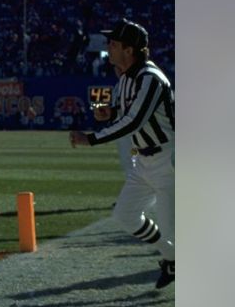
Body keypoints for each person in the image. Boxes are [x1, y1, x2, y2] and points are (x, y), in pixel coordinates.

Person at [69, 20, 175, 288]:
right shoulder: (127, 79)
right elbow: (127, 113)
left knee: (173, 230)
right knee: (125, 215)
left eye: (114, 44)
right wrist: (110, 112)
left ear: (129, 50)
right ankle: (173, 258)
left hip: (169, 161)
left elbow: (134, 122)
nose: (108, 47)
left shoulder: (151, 78)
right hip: (145, 161)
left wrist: (90, 139)